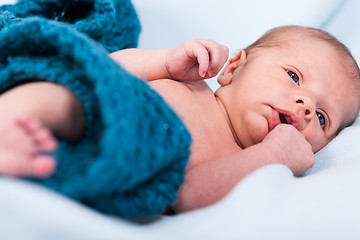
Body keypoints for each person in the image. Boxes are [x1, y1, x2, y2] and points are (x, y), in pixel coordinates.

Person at [0, 25, 359, 213]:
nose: (306, 106)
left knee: (56, 148)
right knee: (64, 96)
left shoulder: (240, 162)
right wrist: (163, 62)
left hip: (115, 160)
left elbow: (187, 196)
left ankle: (22, 148)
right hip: (98, 106)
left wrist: (273, 156)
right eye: (294, 77)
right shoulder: (189, 81)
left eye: (324, 118)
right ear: (233, 67)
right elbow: (107, 68)